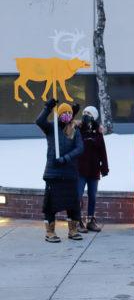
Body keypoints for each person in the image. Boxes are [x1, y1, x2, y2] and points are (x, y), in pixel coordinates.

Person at [36, 99, 84, 243]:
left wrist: (65, 159)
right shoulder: (52, 129)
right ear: (59, 115)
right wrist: (47, 108)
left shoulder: (74, 131)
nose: (67, 116)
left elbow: (80, 148)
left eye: (69, 113)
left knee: (73, 204)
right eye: (64, 113)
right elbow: (39, 121)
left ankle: (73, 230)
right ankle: (50, 232)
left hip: (69, 174)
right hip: (53, 174)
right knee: (51, 205)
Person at [76, 106, 109, 233]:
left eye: (88, 113)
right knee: (78, 195)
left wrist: (104, 167)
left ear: (94, 116)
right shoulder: (78, 129)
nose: (85, 115)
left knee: (92, 196)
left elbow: (103, 151)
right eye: (84, 113)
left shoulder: (98, 132)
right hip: (80, 169)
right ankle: (77, 220)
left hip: (94, 169)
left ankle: (90, 220)